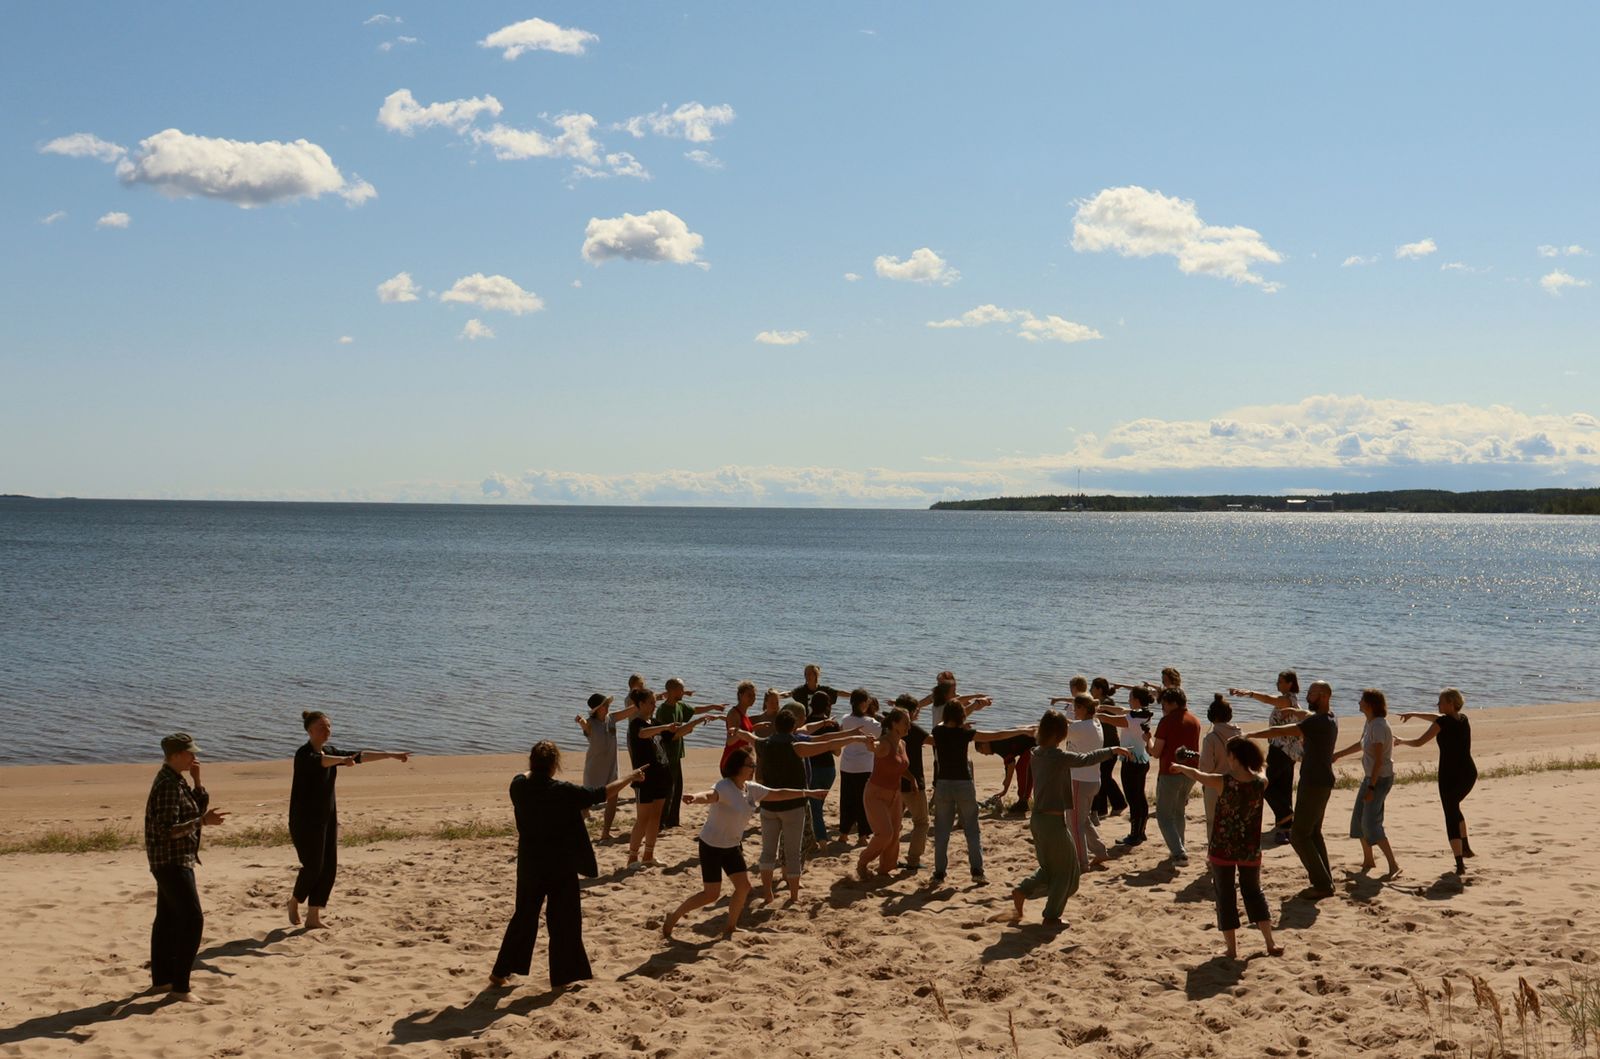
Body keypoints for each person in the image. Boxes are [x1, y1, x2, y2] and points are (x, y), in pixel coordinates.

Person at [490, 743, 647, 989]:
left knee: (524, 916)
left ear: (531, 763)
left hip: (530, 862)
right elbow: (601, 794)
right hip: (560, 862)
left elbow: (529, 776)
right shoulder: (562, 791)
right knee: (564, 919)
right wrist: (629, 777)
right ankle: (565, 976)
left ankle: (501, 971)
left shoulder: (518, 786)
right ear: (555, 765)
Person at [663, 749, 828, 939]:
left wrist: (807, 793)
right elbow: (710, 796)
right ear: (738, 767)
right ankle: (673, 916)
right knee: (711, 895)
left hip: (732, 846)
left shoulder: (751, 788)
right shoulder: (724, 786)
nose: (754, 769)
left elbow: (777, 793)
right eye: (751, 765)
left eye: (755, 765)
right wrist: (695, 798)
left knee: (743, 888)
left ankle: (730, 928)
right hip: (711, 846)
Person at [287, 711, 409, 929]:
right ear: (310, 731)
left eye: (329, 727)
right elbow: (322, 762)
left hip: (328, 816)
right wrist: (342, 761)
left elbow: (359, 756)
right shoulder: (304, 754)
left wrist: (390, 754)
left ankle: (313, 917)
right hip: (304, 820)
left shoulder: (331, 751)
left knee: (329, 867)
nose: (327, 731)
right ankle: (295, 901)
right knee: (313, 866)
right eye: (322, 727)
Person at [1009, 710, 1129, 923]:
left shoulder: (1035, 753)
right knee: (1069, 871)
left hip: (1037, 819)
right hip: (1053, 823)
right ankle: (1051, 916)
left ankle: (1022, 890)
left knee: (1049, 868)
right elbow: (1086, 759)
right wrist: (1112, 750)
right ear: (1059, 735)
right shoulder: (1058, 757)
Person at [1170, 737, 1284, 961]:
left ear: (1233, 757)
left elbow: (1198, 775)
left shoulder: (1224, 782)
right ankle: (1270, 942)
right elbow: (1263, 768)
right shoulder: (1261, 782)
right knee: (1254, 893)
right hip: (1249, 848)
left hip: (1222, 848)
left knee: (1225, 896)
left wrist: (1181, 766)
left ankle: (1232, 950)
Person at [748, 710, 867, 903]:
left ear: (775, 725)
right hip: (793, 807)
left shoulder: (764, 744)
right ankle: (794, 897)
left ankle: (768, 894)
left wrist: (736, 731)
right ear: (794, 727)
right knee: (793, 853)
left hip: (769, 806)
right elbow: (828, 742)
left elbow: (748, 736)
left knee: (767, 852)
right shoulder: (798, 746)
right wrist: (853, 737)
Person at [144, 732, 227, 1001]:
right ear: (176, 755)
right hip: (171, 861)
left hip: (172, 860)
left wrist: (198, 782)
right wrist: (202, 823)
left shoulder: (174, 779)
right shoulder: (168, 784)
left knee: (167, 920)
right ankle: (180, 988)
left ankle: (162, 982)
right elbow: (167, 830)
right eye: (191, 753)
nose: (195, 757)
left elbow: (192, 808)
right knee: (193, 920)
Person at [1247, 679, 1338, 898]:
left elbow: (1280, 730)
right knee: (1314, 833)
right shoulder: (1330, 718)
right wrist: (1294, 711)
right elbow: (1307, 715)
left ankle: (1323, 885)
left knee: (1299, 836)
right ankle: (1325, 880)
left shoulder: (1316, 723)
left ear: (1324, 696)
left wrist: (1250, 735)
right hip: (1322, 781)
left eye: (1313, 693)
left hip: (1314, 782)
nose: (1308, 696)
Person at [930, 701, 1035, 884]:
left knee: (942, 831)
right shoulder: (966, 733)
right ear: (961, 718)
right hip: (963, 784)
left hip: (943, 784)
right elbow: (997, 735)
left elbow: (941, 723)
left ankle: (939, 874)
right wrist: (1022, 731)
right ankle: (977, 872)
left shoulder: (938, 732)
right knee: (972, 830)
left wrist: (966, 711)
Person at [627, 687, 715, 866]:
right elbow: (643, 734)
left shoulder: (654, 722)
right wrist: (665, 727)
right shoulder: (636, 723)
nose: (654, 706)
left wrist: (696, 722)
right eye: (651, 702)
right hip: (644, 778)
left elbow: (675, 735)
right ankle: (632, 857)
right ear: (641, 704)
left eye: (654, 703)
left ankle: (648, 855)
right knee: (643, 818)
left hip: (662, 775)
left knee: (656, 817)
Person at [1397, 687, 1477, 875]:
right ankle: (1465, 849)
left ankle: (1459, 864)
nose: (1437, 704)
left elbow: (1419, 742)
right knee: (1454, 807)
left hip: (1450, 776)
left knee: (1450, 813)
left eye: (1440, 701)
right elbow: (1437, 717)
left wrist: (1401, 740)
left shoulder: (1443, 722)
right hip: (1468, 773)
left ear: (1450, 703)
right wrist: (1414, 714)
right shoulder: (1463, 719)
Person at [1229, 670, 1304, 845]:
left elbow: (1269, 699)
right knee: (1283, 786)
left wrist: (1250, 693)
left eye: (1281, 681)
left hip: (1281, 750)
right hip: (1289, 751)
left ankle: (1285, 815)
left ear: (1290, 683)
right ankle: (1286, 827)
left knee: (1263, 784)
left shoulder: (1287, 700)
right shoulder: (1291, 700)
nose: (1277, 684)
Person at [1333, 688, 1401, 878]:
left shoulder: (1379, 726)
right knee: (1357, 821)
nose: (1358, 703)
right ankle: (1368, 860)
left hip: (1379, 779)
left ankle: (1394, 865)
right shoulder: (1369, 723)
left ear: (1370, 705)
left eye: (1361, 700)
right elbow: (1361, 744)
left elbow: (1379, 760)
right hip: (1370, 777)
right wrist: (1338, 755)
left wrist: (1371, 787)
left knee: (1371, 824)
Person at [654, 678, 723, 829]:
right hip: (666, 756)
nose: (683, 692)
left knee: (677, 789)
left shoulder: (679, 705)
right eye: (681, 689)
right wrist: (689, 728)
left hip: (677, 754)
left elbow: (694, 710)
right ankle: (661, 822)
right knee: (668, 790)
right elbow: (671, 736)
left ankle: (672, 821)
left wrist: (713, 707)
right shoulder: (663, 711)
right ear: (671, 691)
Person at [575, 693, 641, 841]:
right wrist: (581, 722)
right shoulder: (590, 723)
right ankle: (575, 829)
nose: (607, 707)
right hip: (594, 768)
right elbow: (585, 726)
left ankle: (605, 833)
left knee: (613, 799)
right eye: (604, 705)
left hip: (611, 766)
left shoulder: (611, 718)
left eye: (607, 704)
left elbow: (631, 710)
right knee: (586, 803)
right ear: (596, 709)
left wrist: (649, 698)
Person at [1150, 686, 1202, 864]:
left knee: (1164, 815)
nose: (1162, 708)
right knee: (1179, 811)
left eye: (1163, 704)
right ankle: (1179, 846)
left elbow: (1156, 752)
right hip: (1191, 772)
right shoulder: (1195, 720)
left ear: (1172, 703)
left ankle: (1179, 853)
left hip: (1170, 771)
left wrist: (1147, 740)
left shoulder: (1166, 721)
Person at [857, 706, 910, 880]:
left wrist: (912, 778)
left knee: (894, 834)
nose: (909, 726)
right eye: (905, 723)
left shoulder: (902, 743)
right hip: (876, 794)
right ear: (894, 724)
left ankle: (885, 869)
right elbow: (875, 748)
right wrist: (870, 745)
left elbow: (900, 765)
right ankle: (863, 862)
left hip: (895, 795)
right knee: (885, 834)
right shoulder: (885, 743)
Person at [1099, 686, 1155, 846]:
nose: (1129, 700)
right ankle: (1140, 832)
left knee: (1133, 798)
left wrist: (1096, 714)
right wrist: (1103, 707)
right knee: (1140, 797)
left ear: (1136, 700)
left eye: (1130, 697)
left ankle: (1134, 835)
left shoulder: (1133, 718)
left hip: (1132, 762)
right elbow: (1121, 710)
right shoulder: (1143, 713)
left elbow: (1113, 719)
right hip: (1142, 761)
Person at [1065, 694, 1112, 867]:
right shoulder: (1096, 723)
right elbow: (1073, 725)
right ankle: (1100, 851)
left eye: (1076, 708)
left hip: (1080, 780)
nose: (1074, 711)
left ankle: (1081, 862)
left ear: (1084, 709)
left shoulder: (1080, 728)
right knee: (1083, 819)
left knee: (1074, 824)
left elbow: (1064, 729)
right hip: (1092, 779)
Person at [836, 688, 882, 845]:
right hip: (864, 767)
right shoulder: (872, 723)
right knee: (863, 801)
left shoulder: (846, 719)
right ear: (863, 704)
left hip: (847, 765)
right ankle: (863, 835)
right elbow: (883, 737)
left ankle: (844, 833)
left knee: (846, 799)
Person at [1198, 694, 1243, 848]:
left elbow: (1207, 768)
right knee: (1233, 820)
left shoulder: (1210, 738)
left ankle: (1214, 854)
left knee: (1213, 821)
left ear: (1212, 716)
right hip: (1237, 783)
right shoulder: (1239, 734)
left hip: (1215, 784)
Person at [898, 693, 933, 871]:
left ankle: (888, 857)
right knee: (921, 822)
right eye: (916, 710)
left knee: (894, 823)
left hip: (893, 782)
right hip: (913, 783)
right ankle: (913, 860)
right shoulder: (914, 729)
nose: (918, 713)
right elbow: (936, 741)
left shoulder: (887, 728)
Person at [803, 691, 841, 843]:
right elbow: (837, 752)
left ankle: (821, 840)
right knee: (817, 806)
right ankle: (816, 836)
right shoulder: (833, 725)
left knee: (815, 809)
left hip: (812, 769)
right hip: (829, 770)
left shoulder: (807, 723)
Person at [1088, 677, 1128, 821]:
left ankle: (1110, 806)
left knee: (1103, 776)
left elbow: (1095, 712)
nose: (1090, 690)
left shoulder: (1106, 703)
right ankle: (1113, 805)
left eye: (1092, 688)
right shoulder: (1102, 703)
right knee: (1104, 776)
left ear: (1099, 689)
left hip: (1110, 745)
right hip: (1106, 745)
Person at [978, 731, 1036, 813]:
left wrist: (1007, 782)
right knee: (1024, 768)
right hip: (1030, 744)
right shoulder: (995, 744)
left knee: (1022, 767)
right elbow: (1008, 763)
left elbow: (1011, 764)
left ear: (984, 744)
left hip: (1033, 744)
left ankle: (1023, 801)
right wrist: (1005, 789)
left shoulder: (997, 744)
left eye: (982, 751)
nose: (985, 754)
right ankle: (1023, 800)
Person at [721, 681, 759, 773]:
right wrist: (740, 733)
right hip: (732, 761)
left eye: (754, 695)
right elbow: (730, 741)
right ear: (740, 695)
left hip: (743, 761)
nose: (753, 698)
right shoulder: (734, 713)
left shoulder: (744, 713)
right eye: (749, 695)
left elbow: (744, 733)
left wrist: (754, 728)